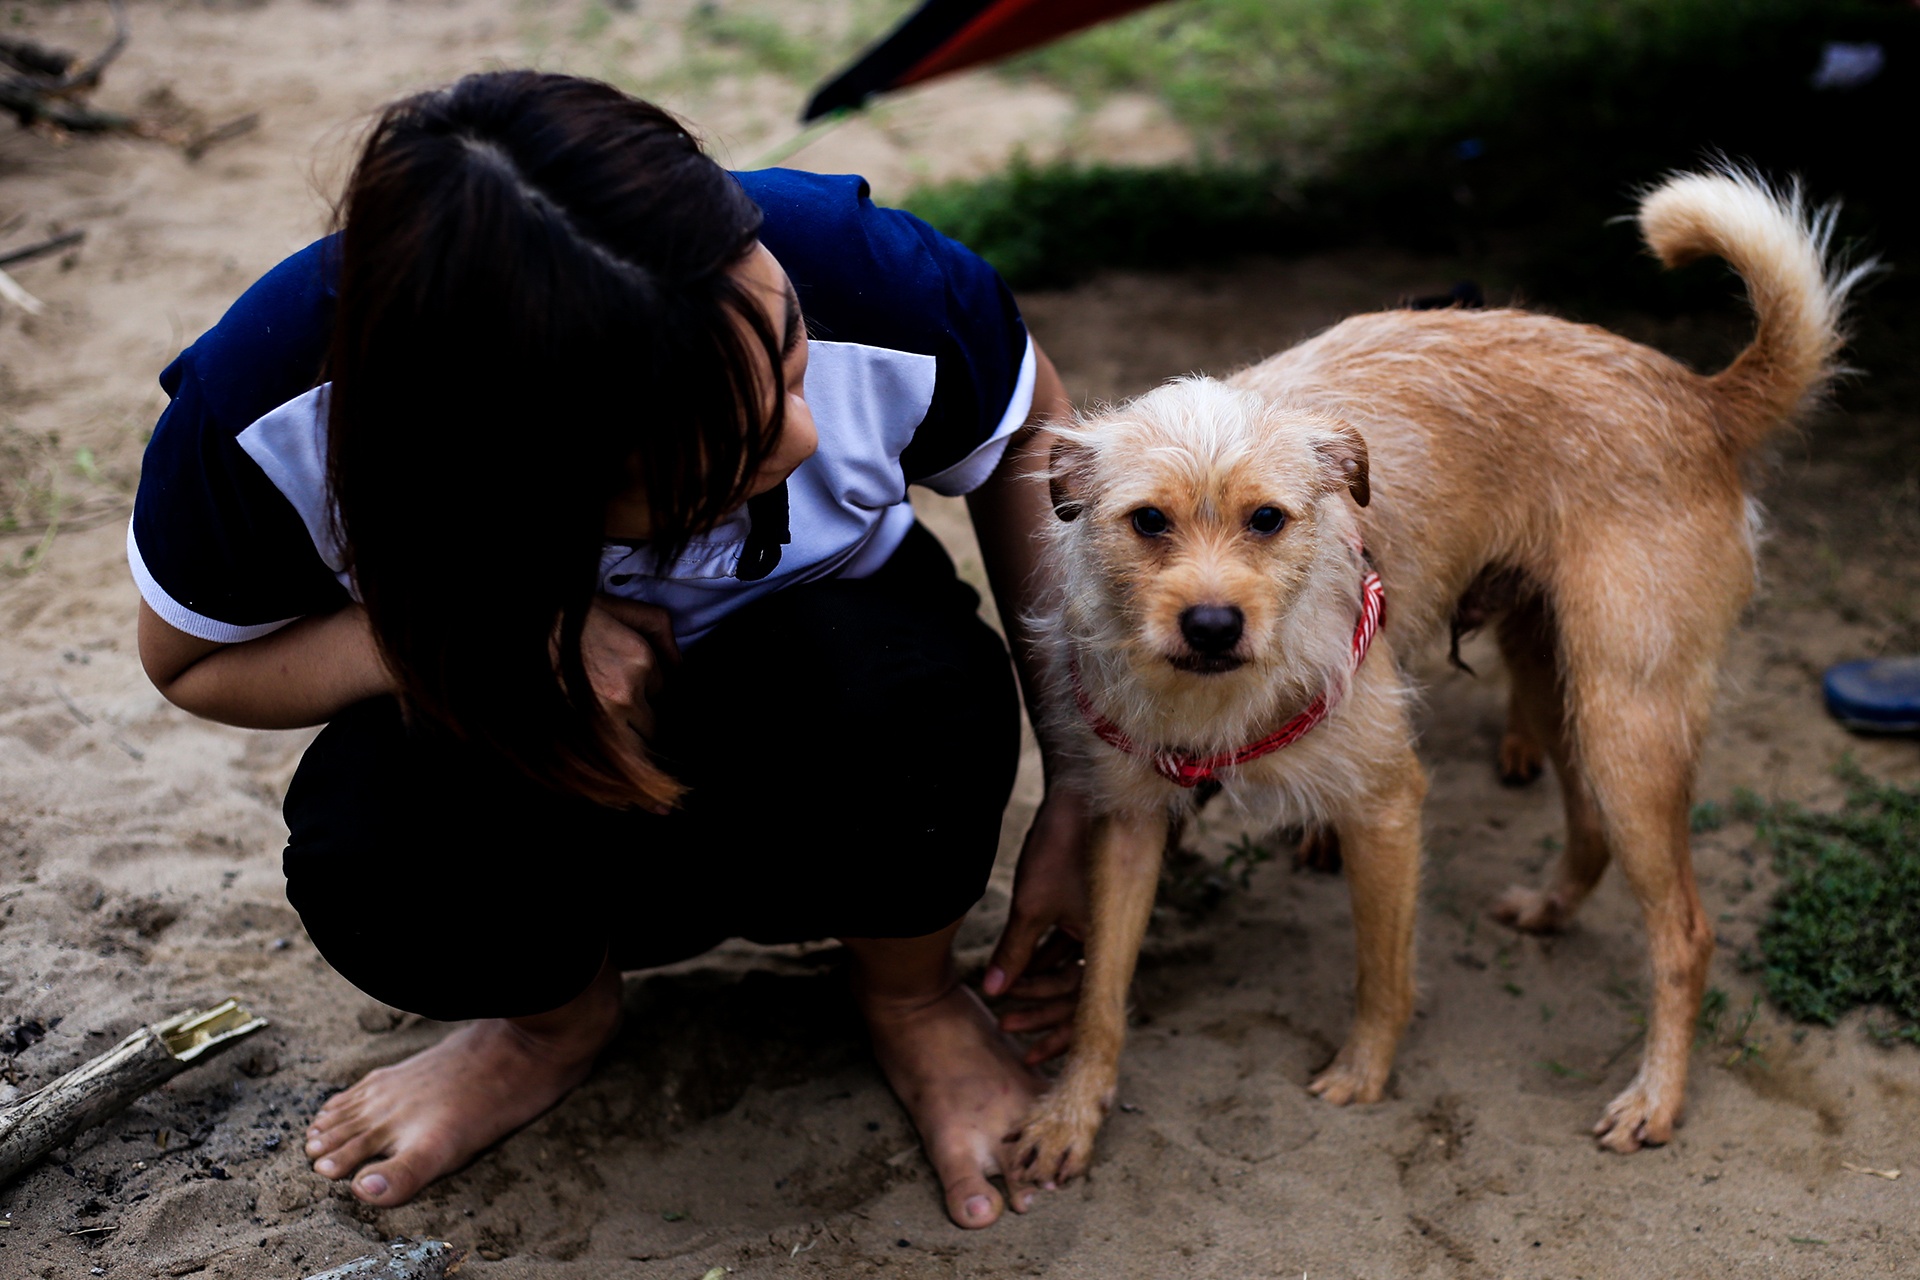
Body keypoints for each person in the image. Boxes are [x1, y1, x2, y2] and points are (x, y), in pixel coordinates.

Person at [130, 70, 1092, 1230]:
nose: (804, 436)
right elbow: (191, 659)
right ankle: (550, 1023)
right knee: (370, 841)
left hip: (838, 771)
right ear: (521, 484)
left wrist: (1090, 782)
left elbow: (1027, 434)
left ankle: (910, 991)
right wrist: (477, 637)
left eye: (787, 351)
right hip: (544, 800)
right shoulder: (273, 411)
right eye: (720, 460)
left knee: (904, 681)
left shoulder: (855, 265)